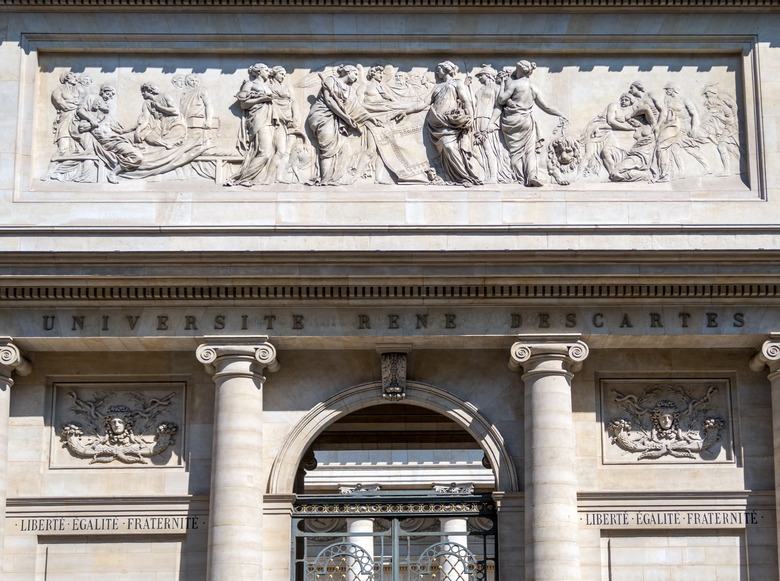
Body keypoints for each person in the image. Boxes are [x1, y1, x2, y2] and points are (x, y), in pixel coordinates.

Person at [394, 61, 481, 185]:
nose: (436, 72)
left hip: (450, 121)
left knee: (449, 147)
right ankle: (453, 176)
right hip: (436, 122)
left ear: (446, 69)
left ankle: (464, 177)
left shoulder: (457, 82)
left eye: (438, 69)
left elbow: (465, 100)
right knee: (445, 149)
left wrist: (470, 116)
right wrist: (406, 111)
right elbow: (424, 103)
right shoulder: (437, 87)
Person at [307, 64, 382, 185]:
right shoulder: (330, 80)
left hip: (339, 119)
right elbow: (330, 101)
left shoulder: (350, 90)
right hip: (323, 116)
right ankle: (325, 179)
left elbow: (356, 107)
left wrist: (371, 117)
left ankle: (334, 179)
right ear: (347, 71)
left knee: (345, 149)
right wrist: (345, 117)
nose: (357, 77)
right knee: (327, 147)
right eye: (355, 74)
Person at [498, 60, 567, 187]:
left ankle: (518, 177)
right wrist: (560, 114)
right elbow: (546, 107)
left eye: (516, 70)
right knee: (530, 151)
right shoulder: (534, 87)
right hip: (526, 122)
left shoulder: (515, 84)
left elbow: (501, 99)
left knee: (515, 152)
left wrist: (503, 83)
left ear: (520, 70)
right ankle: (532, 176)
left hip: (512, 121)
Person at [229, 63, 275, 186]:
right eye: (266, 70)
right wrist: (261, 99)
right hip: (258, 119)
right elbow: (243, 104)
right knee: (265, 152)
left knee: (269, 152)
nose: (269, 72)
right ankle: (244, 178)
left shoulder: (266, 85)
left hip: (269, 119)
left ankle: (253, 177)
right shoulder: (250, 84)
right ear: (259, 71)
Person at [472, 65, 512, 184]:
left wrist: (491, 122)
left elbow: (498, 106)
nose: (479, 78)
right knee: (479, 150)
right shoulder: (479, 90)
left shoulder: (497, 88)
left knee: (490, 149)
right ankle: (485, 174)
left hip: (488, 120)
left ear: (488, 75)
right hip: (476, 120)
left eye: (481, 75)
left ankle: (493, 176)